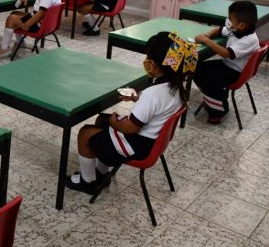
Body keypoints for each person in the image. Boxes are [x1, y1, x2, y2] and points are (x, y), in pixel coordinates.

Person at [65, 31, 197, 196]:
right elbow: (158, 106)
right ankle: (102, 172)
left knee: (85, 133)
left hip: (137, 145)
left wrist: (114, 122)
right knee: (101, 119)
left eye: (148, 57)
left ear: (154, 64)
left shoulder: (152, 94)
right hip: (152, 141)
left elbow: (130, 128)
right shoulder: (177, 89)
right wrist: (137, 98)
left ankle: (88, 182)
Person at [193, 0, 259, 124]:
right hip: (227, 66)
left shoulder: (250, 40)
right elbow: (219, 30)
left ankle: (220, 109)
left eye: (230, 18)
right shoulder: (237, 29)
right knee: (196, 67)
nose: (228, 20)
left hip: (235, 72)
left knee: (204, 76)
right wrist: (207, 34)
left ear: (242, 25)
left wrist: (206, 41)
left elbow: (226, 53)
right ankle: (215, 97)